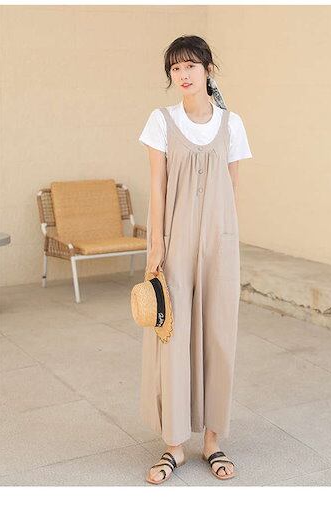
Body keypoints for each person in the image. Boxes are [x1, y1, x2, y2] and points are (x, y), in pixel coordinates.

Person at [138, 35, 252, 484]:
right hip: (175, 244)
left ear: (208, 69)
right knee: (172, 338)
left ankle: (212, 441)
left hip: (220, 244)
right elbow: (157, 187)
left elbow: (232, 188)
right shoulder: (161, 121)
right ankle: (173, 447)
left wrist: (227, 240)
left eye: (190, 66)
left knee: (219, 336)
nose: (182, 75)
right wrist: (156, 247)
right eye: (175, 68)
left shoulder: (232, 124)